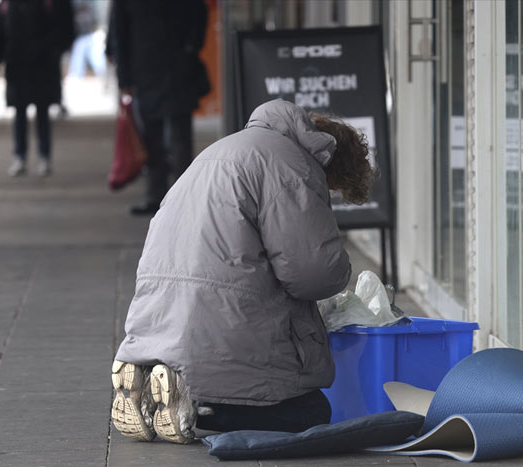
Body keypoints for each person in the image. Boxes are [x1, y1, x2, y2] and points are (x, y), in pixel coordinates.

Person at [110, 99, 375, 444]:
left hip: (157, 320)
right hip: (220, 323)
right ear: (330, 164)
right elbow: (312, 273)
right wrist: (340, 268)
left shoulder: (219, 152)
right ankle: (193, 404)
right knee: (311, 412)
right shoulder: (294, 166)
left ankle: (158, 386)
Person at [111, 0, 210, 216]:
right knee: (152, 141)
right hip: (148, 72)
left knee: (179, 141)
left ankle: (182, 197)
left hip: (175, 71)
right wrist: (124, 80)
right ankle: (158, 197)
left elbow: (198, 14)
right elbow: (119, 33)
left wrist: (191, 48)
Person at [2, 0, 74, 177]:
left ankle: (43, 156)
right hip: (19, 65)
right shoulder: (11, 5)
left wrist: (52, 51)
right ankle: (21, 156)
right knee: (20, 114)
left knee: (41, 113)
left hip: (42, 66)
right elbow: (3, 31)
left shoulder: (49, 4)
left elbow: (65, 28)